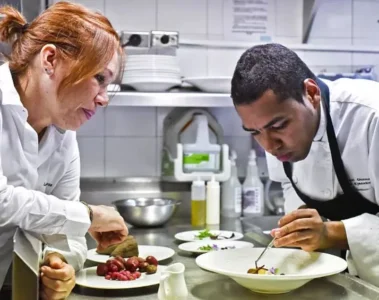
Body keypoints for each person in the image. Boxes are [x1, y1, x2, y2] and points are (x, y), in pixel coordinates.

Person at [0, 2, 128, 299]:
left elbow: (67, 231)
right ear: (50, 59)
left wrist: (61, 264)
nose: (103, 99)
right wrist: (88, 214)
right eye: (99, 78)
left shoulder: (63, 133)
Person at [231, 43, 379, 286]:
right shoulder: (274, 137)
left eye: (278, 126)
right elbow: (290, 187)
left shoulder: (372, 118)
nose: (269, 145)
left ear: (311, 94)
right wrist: (301, 225)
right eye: (254, 131)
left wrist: (330, 234)